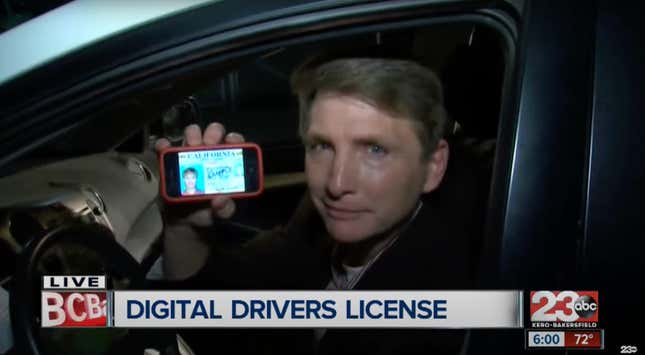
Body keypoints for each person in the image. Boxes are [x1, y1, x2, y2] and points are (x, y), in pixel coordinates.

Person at [154, 57, 473, 354]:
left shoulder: (436, 314)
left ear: (432, 166)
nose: (336, 182)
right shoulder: (320, 228)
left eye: (375, 150)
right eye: (322, 146)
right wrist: (184, 225)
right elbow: (214, 308)